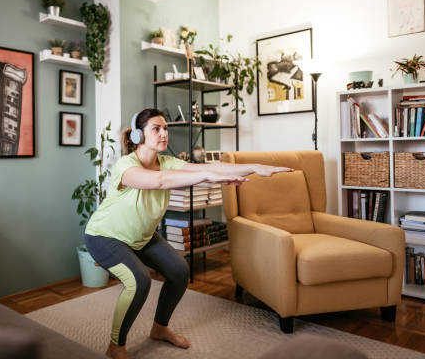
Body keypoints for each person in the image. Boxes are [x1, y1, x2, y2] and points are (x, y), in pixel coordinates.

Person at [84, 108, 293, 359]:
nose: (164, 133)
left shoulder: (168, 162)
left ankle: (159, 328)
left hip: (142, 237)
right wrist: (204, 176)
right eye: (156, 129)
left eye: (166, 128)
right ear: (140, 135)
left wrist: (255, 167)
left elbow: (205, 167)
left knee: (179, 271)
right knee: (139, 281)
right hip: (106, 236)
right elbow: (160, 180)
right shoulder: (126, 166)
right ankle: (115, 345)